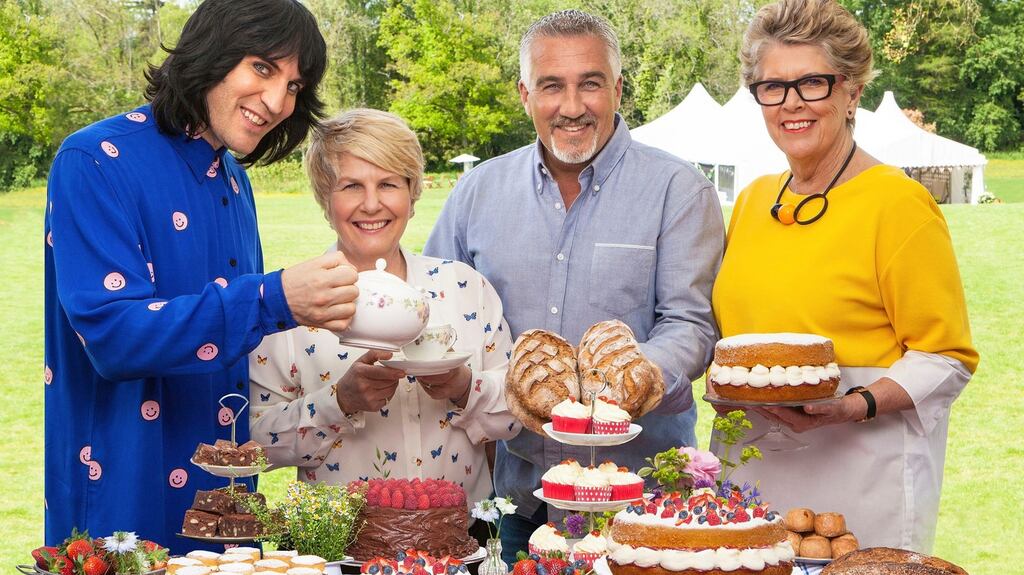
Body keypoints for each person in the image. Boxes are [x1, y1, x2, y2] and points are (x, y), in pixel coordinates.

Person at [43, 0, 360, 548]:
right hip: (123, 508)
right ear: (210, 51)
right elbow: (114, 337)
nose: (277, 101)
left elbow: (233, 346)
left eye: (293, 85)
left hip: (224, 513)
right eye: (262, 67)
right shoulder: (95, 159)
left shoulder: (234, 181)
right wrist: (274, 298)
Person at [424, 9, 724, 562]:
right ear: (525, 95)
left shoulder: (679, 190)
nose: (571, 106)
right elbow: (438, 310)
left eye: (590, 83)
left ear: (617, 89)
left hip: (643, 506)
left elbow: (691, 326)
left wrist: (629, 382)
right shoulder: (477, 193)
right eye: (551, 86)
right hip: (520, 500)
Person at [711, 0, 979, 553]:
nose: (791, 103)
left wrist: (854, 403)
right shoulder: (753, 201)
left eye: (812, 83)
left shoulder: (898, 203)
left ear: (852, 92)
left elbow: (946, 358)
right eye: (773, 86)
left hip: (861, 477)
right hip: (750, 476)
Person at [249, 109, 521, 544]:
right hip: (340, 545)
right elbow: (256, 445)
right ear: (325, 199)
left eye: (389, 184)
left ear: (413, 195)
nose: (372, 204)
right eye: (351, 186)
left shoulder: (465, 288)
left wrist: (462, 387)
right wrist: (339, 401)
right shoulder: (292, 305)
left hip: (462, 543)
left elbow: (515, 416)